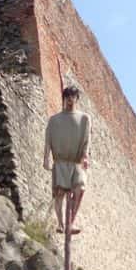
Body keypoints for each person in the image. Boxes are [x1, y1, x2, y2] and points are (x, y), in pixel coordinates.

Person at [43, 85, 91, 234]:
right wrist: (46, 158)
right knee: (60, 193)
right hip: (60, 161)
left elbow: (86, 140)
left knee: (80, 189)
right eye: (67, 97)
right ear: (64, 98)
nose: (70, 99)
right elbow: (48, 140)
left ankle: (71, 222)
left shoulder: (84, 118)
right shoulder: (54, 120)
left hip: (76, 162)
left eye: (73, 97)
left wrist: (85, 156)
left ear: (77, 99)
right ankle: (61, 224)